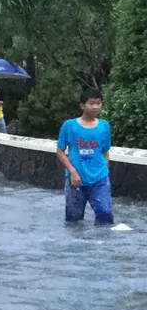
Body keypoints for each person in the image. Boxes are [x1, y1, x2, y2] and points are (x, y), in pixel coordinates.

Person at [57, 88, 114, 225]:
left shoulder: (104, 126)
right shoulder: (69, 126)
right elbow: (60, 151)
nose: (95, 107)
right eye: (91, 103)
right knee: (73, 220)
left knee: (105, 215)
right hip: (76, 180)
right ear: (82, 105)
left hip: (99, 178)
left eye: (99, 103)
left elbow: (105, 151)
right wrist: (72, 172)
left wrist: (105, 171)